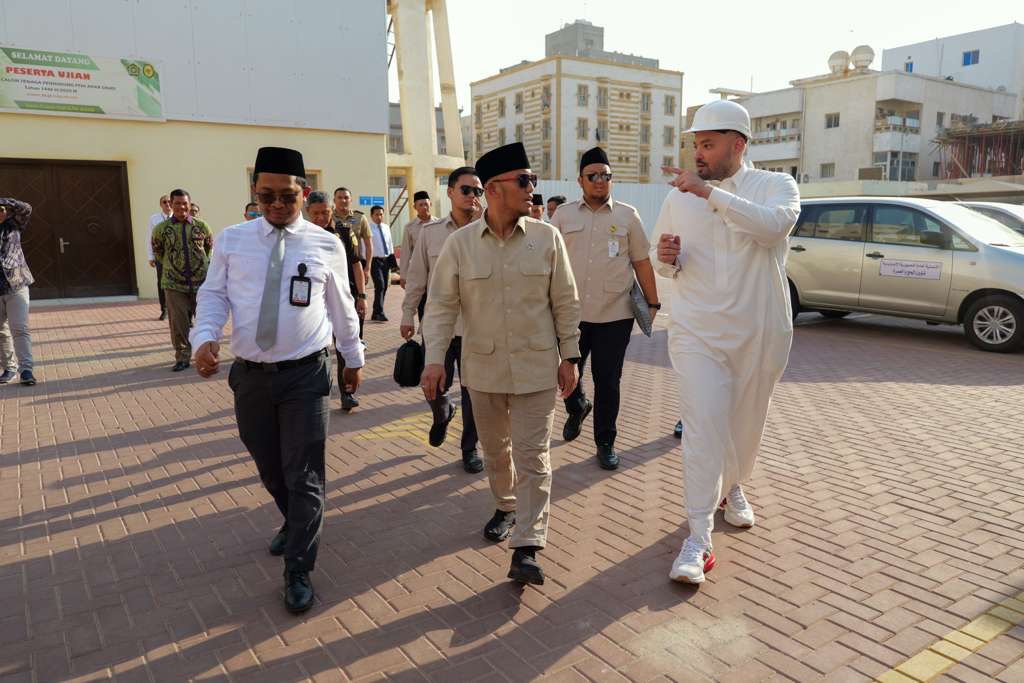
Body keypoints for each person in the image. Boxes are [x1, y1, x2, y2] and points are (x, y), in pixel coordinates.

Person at [191, 147, 363, 614]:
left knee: (304, 472)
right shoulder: (231, 240)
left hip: (307, 373)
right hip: (250, 378)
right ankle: (294, 520)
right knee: (269, 466)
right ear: (254, 193)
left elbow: (341, 305)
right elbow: (213, 296)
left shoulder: (325, 242)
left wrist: (352, 355)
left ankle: (298, 567)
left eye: (286, 197)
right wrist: (204, 338)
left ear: (303, 193)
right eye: (265, 196)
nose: (275, 206)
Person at [421, 142, 581, 586]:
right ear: (494, 189)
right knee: (496, 452)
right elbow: (440, 308)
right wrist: (435, 360)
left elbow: (566, 301)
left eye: (533, 180)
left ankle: (528, 545)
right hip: (483, 370)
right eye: (524, 181)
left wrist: (571, 355)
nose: (533, 188)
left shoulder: (547, 239)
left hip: (536, 369)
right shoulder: (459, 245)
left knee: (534, 456)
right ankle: (508, 506)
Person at [654, 99, 799, 584]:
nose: (698, 153)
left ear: (738, 145)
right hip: (697, 331)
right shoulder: (678, 198)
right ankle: (697, 538)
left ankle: (732, 486)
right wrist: (666, 256)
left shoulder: (776, 186)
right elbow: (663, 259)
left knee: (743, 431)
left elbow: (772, 227)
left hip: (758, 334)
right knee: (702, 428)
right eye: (695, 143)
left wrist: (709, 194)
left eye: (708, 144)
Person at [552, 146, 660, 470]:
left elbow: (641, 261)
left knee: (608, 381)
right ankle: (577, 407)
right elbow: (550, 263)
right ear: (580, 181)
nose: (600, 181)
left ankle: (605, 442)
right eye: (593, 176)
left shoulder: (628, 216)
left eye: (606, 176)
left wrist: (653, 302)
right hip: (571, 315)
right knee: (567, 377)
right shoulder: (563, 216)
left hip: (615, 316)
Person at [400, 167, 483, 474]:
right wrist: (407, 313)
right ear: (449, 192)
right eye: (466, 190)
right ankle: (442, 413)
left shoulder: (489, 229)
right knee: (433, 386)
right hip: (439, 326)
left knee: (473, 391)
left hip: (477, 328)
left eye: (478, 191)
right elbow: (418, 278)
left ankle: (469, 447)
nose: (473, 196)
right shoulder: (430, 233)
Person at [307, 190, 367, 412]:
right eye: (315, 214)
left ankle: (346, 392)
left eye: (325, 212)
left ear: (331, 210)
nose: (321, 218)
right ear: (307, 213)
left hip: (342, 297)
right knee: (317, 348)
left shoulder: (343, 231)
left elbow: (356, 264)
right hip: (314, 302)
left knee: (346, 345)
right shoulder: (303, 234)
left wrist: (362, 296)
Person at [151, 189, 213, 371]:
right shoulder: (161, 229)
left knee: (204, 321)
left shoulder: (202, 226)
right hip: (173, 284)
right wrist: (174, 267)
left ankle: (207, 354)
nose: (181, 207)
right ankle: (183, 357)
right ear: (171, 204)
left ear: (189, 204)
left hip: (201, 283)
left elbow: (208, 250)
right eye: (177, 203)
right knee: (179, 323)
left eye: (184, 203)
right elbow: (159, 253)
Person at [0, 197, 36, 385]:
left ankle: (26, 370)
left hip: (16, 285)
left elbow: (26, 208)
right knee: (0, 331)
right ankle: (9, 368)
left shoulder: (13, 225)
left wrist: (5, 201)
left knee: (19, 328)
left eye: (2, 209)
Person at [333, 187, 373, 337]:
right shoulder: (329, 217)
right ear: (334, 200)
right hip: (336, 267)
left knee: (359, 302)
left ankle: (359, 337)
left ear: (350, 200)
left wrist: (368, 267)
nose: (343, 200)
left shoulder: (359, 218)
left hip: (355, 266)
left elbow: (369, 245)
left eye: (346, 197)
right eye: (340, 197)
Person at [398, 190, 433, 306]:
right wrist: (403, 276)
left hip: (436, 270)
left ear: (430, 204)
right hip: (419, 272)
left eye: (426, 204)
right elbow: (405, 253)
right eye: (420, 205)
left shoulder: (439, 224)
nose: (424, 207)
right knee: (422, 303)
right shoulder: (410, 227)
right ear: (415, 207)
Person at [367, 205, 394, 322]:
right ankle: (379, 312)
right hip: (374, 260)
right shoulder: (368, 229)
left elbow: (390, 243)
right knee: (380, 285)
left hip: (386, 260)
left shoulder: (386, 227)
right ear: (372, 215)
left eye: (381, 214)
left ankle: (376, 312)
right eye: (376, 214)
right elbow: (365, 247)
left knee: (384, 287)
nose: (379, 217)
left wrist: (392, 259)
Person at [148, 195, 172, 321]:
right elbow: (150, 238)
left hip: (176, 256)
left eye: (169, 202)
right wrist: (150, 256)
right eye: (164, 202)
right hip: (161, 256)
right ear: (161, 205)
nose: (167, 204)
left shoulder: (178, 217)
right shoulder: (154, 218)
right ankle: (165, 310)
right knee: (162, 283)